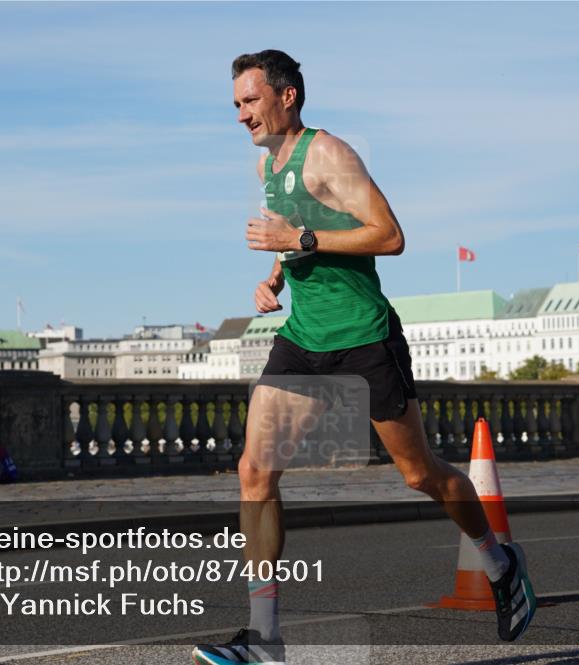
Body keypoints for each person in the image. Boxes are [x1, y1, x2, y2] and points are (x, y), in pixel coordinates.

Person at [192, 51, 536, 665]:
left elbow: (389, 235)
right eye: (237, 104)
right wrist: (276, 274)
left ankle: (498, 560)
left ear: (287, 96)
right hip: (303, 339)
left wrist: (297, 240)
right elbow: (293, 231)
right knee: (254, 471)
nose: (241, 114)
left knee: (420, 475)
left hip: (363, 339)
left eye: (249, 101)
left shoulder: (329, 154)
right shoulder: (270, 163)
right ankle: (265, 637)